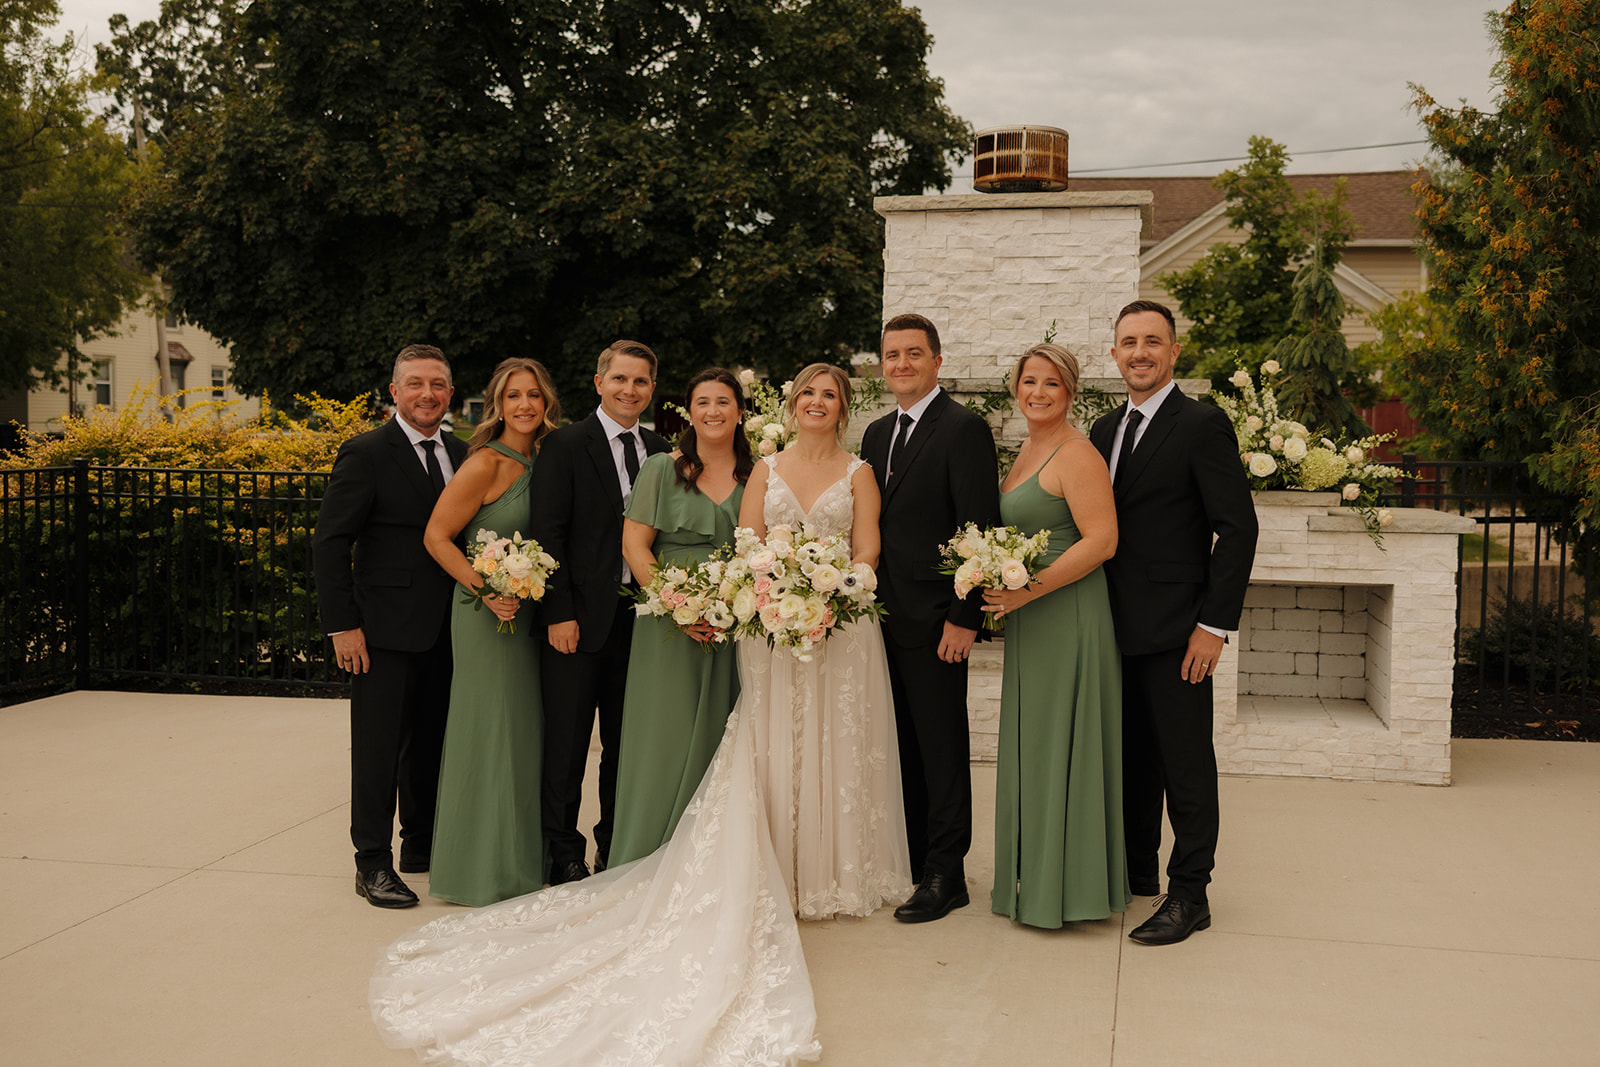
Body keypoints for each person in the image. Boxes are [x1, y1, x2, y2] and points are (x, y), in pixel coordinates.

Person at [1089, 299, 1258, 946]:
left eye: (1152, 341)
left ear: (1173, 351)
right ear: (1114, 353)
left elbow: (1237, 527)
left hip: (1179, 630)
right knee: (1132, 761)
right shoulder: (1104, 429)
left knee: (1186, 766)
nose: (1140, 352)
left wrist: (1212, 626)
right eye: (1128, 341)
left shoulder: (1200, 423)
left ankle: (1190, 892)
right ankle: (1137, 874)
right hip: (1112, 627)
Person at [736, 363, 914, 918]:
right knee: (775, 740)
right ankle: (778, 869)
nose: (817, 402)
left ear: (843, 406)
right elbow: (747, 543)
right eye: (808, 392)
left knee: (840, 739)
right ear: (793, 403)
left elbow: (867, 551)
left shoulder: (858, 471)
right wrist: (772, 589)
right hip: (771, 627)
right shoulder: (765, 468)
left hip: (841, 626)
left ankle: (837, 873)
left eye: (829, 394)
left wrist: (835, 589)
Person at [313, 344, 467, 908]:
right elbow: (331, 543)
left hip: (450, 627)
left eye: (438, 384)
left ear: (450, 394)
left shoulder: (463, 451)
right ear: (395, 392)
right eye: (416, 384)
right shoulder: (366, 453)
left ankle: (420, 846)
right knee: (377, 750)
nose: (427, 394)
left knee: (430, 743)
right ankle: (371, 862)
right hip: (380, 630)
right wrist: (342, 626)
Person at [860, 314, 1002, 923]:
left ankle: (947, 871)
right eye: (892, 355)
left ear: (936, 361)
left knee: (942, 748)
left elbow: (980, 529)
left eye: (913, 354)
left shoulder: (964, 429)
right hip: (878, 619)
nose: (901, 365)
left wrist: (964, 617)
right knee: (901, 747)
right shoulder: (873, 433)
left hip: (938, 620)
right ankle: (916, 861)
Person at [981, 344, 1129, 928]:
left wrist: (1027, 590)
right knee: (1034, 745)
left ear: (1070, 391)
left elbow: (1102, 540)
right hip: (1032, 617)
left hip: (1067, 614)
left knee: (1061, 743)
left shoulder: (1078, 452)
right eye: (1028, 382)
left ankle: (1067, 890)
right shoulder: (1025, 450)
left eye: (1050, 384)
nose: (1037, 393)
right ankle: (1033, 879)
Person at [420, 358, 561, 906]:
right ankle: (477, 869)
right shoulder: (483, 464)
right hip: (487, 613)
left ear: (547, 401)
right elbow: (436, 537)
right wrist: (487, 590)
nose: (524, 405)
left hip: (526, 612)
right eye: (512, 396)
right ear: (496, 404)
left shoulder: (549, 457)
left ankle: (520, 860)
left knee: (524, 732)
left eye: (534, 395)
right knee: (489, 729)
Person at [527, 341, 669, 885]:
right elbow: (548, 533)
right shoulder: (563, 446)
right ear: (599, 382)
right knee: (565, 745)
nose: (629, 390)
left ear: (652, 389)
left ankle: (615, 845)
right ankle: (561, 851)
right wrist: (558, 612)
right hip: (577, 622)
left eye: (640, 382)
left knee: (626, 744)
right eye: (620, 380)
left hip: (643, 621)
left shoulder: (662, 450)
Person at [606, 367, 750, 866]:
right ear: (689, 411)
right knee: (663, 734)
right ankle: (648, 853)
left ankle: (714, 862)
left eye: (724, 402)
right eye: (703, 401)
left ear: (740, 411)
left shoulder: (760, 473)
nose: (713, 411)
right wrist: (678, 606)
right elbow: (635, 545)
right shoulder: (661, 470)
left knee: (727, 733)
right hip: (668, 624)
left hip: (740, 623)